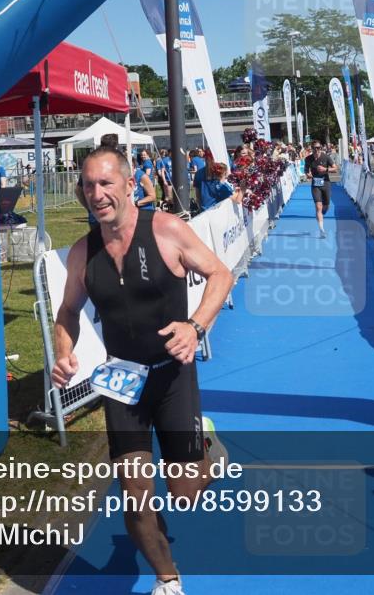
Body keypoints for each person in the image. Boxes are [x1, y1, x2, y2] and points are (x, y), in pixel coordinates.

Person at [51, 147, 233, 595]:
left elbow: (220, 274)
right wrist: (63, 353)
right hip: (122, 383)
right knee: (135, 497)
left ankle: (207, 448)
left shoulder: (167, 229)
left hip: (172, 377)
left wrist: (195, 327)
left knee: (185, 493)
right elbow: (68, 311)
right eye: (88, 185)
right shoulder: (83, 253)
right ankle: (167, 578)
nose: (96, 193)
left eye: (106, 183)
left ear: (130, 185)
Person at [303, 141, 337, 239]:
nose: (317, 150)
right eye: (315, 148)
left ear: (321, 148)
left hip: (326, 183)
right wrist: (308, 174)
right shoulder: (308, 159)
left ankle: (322, 213)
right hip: (315, 184)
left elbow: (335, 168)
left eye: (318, 148)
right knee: (318, 207)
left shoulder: (326, 157)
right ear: (312, 148)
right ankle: (322, 230)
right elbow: (306, 170)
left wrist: (325, 169)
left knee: (326, 207)